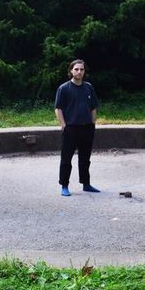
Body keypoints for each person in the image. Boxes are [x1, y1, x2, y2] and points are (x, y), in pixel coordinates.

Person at [54, 59, 100, 196]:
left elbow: (93, 107)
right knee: (66, 159)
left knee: (85, 159)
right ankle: (64, 186)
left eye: (82, 69)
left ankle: (86, 184)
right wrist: (64, 126)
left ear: (84, 71)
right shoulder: (64, 88)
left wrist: (92, 124)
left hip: (87, 128)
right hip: (71, 129)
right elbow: (58, 109)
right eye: (76, 69)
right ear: (71, 71)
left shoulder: (89, 87)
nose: (79, 72)